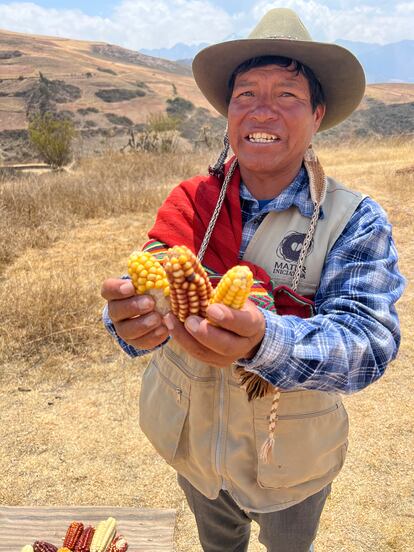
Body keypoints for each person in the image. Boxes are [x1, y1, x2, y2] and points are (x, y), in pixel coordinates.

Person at [101, 8, 405, 552]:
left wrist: (266, 339)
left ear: (317, 116)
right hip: (194, 446)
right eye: (245, 95)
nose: (262, 109)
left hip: (289, 462)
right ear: (228, 115)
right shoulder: (191, 203)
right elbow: (143, 285)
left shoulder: (353, 220)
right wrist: (129, 319)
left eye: (287, 95)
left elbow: (368, 344)